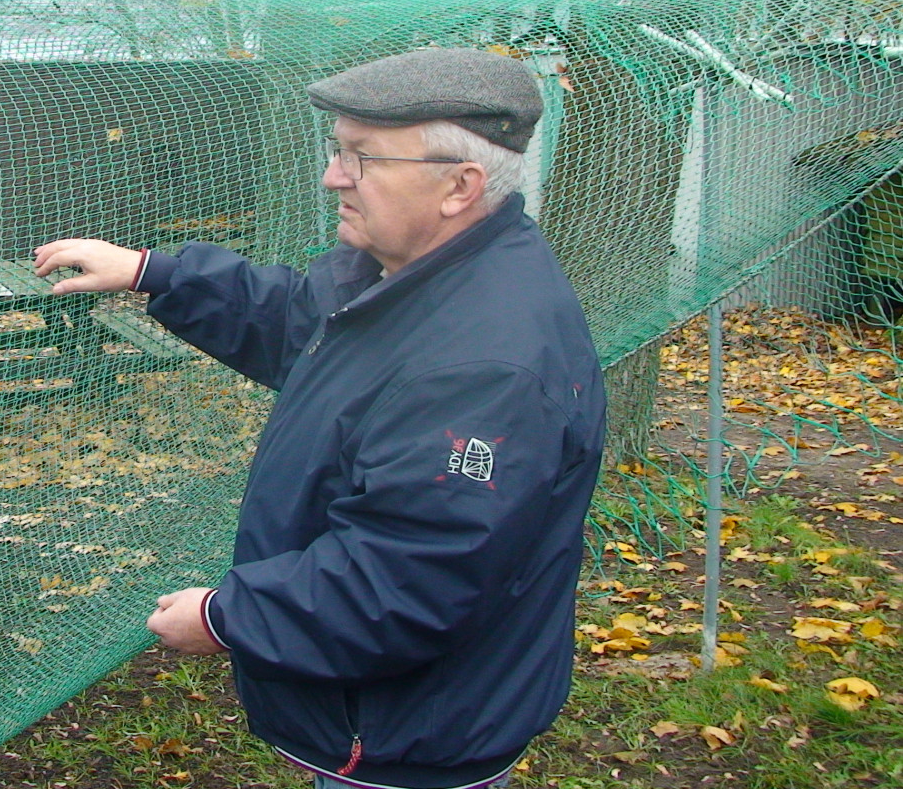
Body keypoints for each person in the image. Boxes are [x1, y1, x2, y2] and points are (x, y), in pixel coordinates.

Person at [33, 47, 606, 789]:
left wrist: (224, 618)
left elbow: (404, 581)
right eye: (338, 151)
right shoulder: (408, 275)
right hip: (392, 711)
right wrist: (155, 274)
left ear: (460, 186)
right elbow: (304, 326)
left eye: (362, 159)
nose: (335, 176)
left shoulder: (479, 370)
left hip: (408, 733)